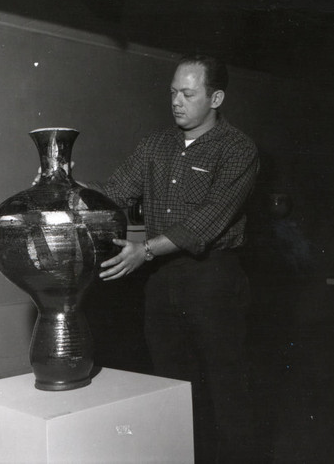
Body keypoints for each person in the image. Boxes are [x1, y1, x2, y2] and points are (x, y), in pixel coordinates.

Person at [98, 53, 260, 463]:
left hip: (213, 280)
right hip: (160, 280)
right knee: (171, 386)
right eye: (173, 92)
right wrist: (65, 182)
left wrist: (145, 250)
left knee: (226, 389)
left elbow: (207, 222)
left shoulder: (238, 149)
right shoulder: (155, 145)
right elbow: (113, 194)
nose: (176, 101)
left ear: (216, 97)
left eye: (188, 93)